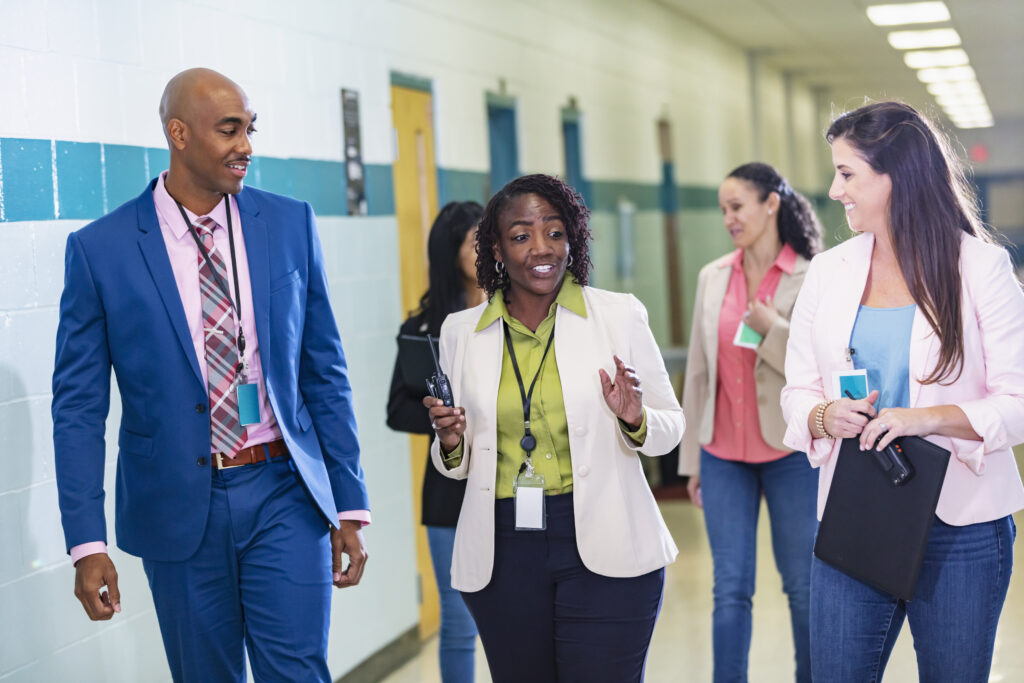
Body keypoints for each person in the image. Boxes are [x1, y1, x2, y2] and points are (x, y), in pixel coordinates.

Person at [51, 68, 370, 683]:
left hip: (284, 489)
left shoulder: (287, 223)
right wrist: (87, 545)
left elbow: (323, 369)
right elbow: (78, 409)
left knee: (299, 671)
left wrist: (350, 501)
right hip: (176, 504)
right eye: (229, 130)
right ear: (178, 134)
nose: (245, 145)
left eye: (250, 128)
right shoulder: (102, 249)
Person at [781, 101, 1024, 681]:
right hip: (856, 513)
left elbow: (1017, 404)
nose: (835, 191)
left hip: (960, 526)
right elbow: (797, 391)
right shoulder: (829, 271)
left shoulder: (980, 268)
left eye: (847, 174)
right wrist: (824, 416)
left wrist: (927, 418)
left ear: (898, 176)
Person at [422, 174, 684, 682]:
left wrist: (635, 417)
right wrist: (450, 442)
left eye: (555, 232)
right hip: (505, 549)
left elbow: (670, 427)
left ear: (574, 238)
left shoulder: (618, 315)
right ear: (496, 249)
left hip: (607, 541)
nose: (541, 249)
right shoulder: (461, 332)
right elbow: (455, 465)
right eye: (521, 236)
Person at [679, 162, 823, 683]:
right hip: (722, 455)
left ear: (771, 205)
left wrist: (771, 328)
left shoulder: (813, 275)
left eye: (736, 207)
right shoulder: (713, 277)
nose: (728, 219)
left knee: (804, 586)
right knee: (730, 588)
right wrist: (692, 461)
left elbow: (818, 370)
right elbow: (699, 372)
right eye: (723, 210)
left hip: (789, 454)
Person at [386, 201, 484, 682]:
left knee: (523, 613)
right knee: (459, 618)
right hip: (448, 490)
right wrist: (444, 420)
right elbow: (396, 409)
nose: (486, 249)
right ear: (451, 253)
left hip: (513, 483)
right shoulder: (424, 329)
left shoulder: (516, 314)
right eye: (474, 242)